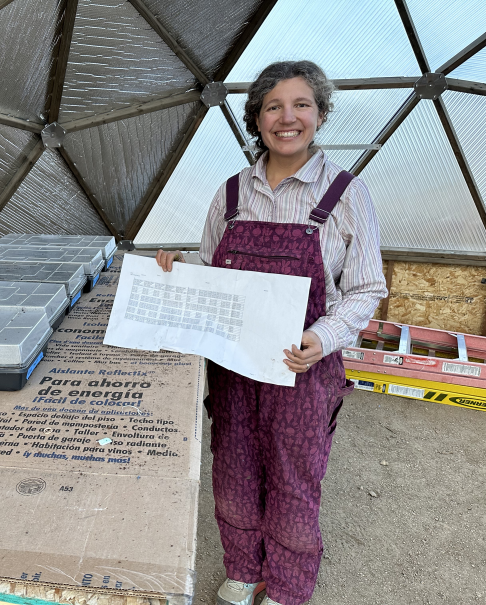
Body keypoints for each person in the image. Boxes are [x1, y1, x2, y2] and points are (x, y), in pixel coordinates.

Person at [156, 61, 387, 605]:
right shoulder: (232, 193)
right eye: (272, 106)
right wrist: (178, 264)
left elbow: (366, 288)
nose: (288, 118)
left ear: (321, 114)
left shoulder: (347, 195)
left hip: (304, 368)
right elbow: (214, 270)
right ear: (255, 119)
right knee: (233, 466)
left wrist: (323, 337)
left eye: (301, 104)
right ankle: (243, 568)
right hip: (236, 362)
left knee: (293, 478)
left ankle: (287, 584)